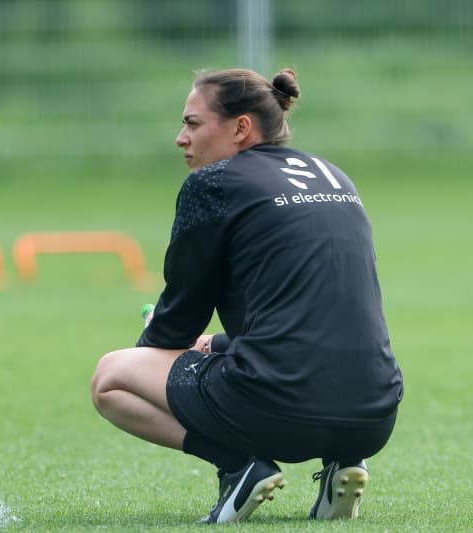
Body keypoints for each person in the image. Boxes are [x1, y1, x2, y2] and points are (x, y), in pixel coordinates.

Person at [90, 67, 403, 524]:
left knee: (110, 378)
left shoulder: (213, 183)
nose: (181, 138)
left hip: (279, 410)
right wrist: (215, 344)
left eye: (193, 124)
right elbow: (306, 311)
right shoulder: (333, 174)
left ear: (241, 128)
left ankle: (238, 467)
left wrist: (157, 350)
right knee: (234, 352)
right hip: (375, 412)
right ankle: (344, 460)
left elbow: (179, 318)